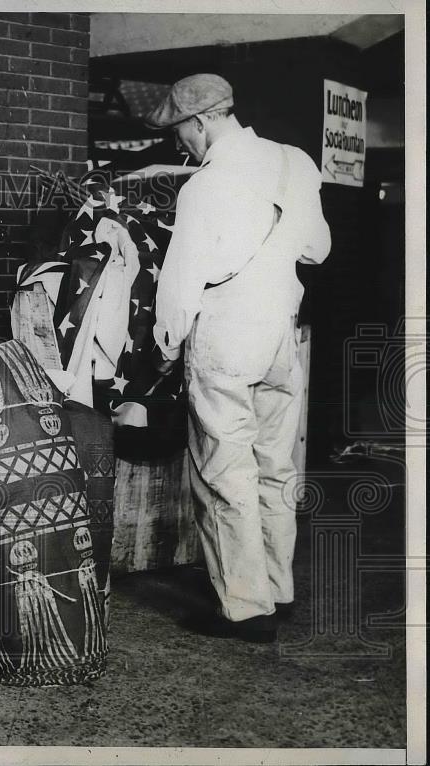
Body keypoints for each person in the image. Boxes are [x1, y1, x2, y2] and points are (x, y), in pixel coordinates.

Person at [145, 74, 331, 643]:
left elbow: (179, 286)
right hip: (282, 334)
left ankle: (246, 610)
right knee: (276, 466)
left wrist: (163, 348)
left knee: (226, 473)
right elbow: (316, 249)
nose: (181, 145)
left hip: (226, 335)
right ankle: (278, 588)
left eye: (180, 131)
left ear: (200, 121)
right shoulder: (293, 162)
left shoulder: (204, 187)